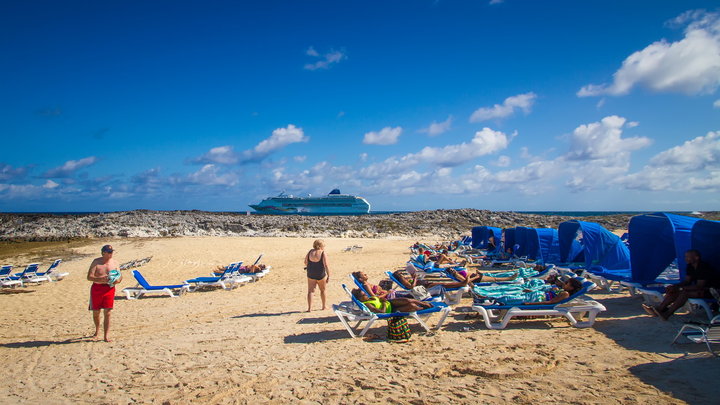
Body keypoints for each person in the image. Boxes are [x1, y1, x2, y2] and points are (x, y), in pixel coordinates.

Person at [644, 249, 719, 320]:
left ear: (696, 257)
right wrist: (675, 286)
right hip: (701, 289)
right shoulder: (690, 266)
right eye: (685, 256)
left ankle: (668, 313)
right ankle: (660, 309)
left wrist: (680, 288)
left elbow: (700, 286)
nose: (686, 258)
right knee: (674, 291)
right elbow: (687, 281)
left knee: (685, 293)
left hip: (712, 291)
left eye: (688, 257)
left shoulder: (703, 267)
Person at [87, 244, 121, 342]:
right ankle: (97, 331)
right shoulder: (96, 262)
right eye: (109, 252)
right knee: (96, 312)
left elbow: (120, 276)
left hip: (109, 289)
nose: (111, 254)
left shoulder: (115, 263)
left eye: (112, 252)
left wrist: (117, 281)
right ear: (103, 253)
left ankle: (106, 335)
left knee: (108, 312)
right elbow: (89, 277)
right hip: (97, 288)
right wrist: (100, 279)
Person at [351, 288, 433, 313]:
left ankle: (424, 304)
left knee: (408, 300)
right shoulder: (368, 304)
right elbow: (382, 312)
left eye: (365, 293)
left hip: (390, 302)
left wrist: (382, 297)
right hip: (390, 310)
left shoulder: (369, 298)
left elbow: (379, 298)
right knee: (411, 306)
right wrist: (383, 303)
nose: (366, 294)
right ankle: (423, 309)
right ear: (360, 298)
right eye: (364, 295)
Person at [304, 239, 330, 312]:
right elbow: (326, 265)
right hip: (320, 273)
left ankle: (309, 308)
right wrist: (329, 275)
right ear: (321, 246)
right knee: (323, 290)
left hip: (311, 273)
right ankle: (324, 306)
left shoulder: (310, 252)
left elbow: (305, 262)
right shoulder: (323, 253)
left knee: (310, 291)